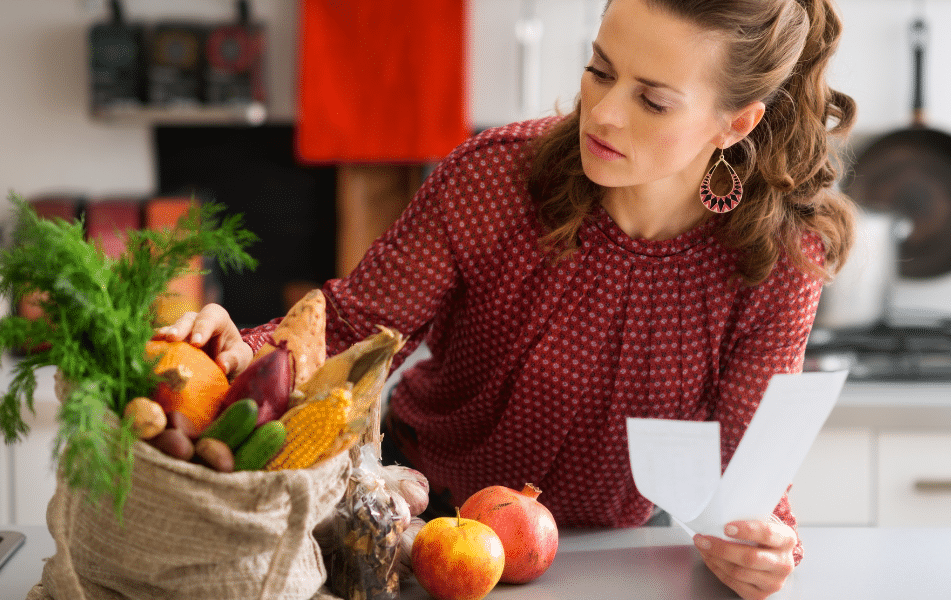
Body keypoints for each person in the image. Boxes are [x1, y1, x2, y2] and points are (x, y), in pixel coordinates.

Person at [156, 0, 856, 597]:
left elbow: (748, 463)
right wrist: (233, 354)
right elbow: (348, 327)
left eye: (652, 99)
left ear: (734, 124)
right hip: (424, 520)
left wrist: (762, 545)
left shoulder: (782, 256)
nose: (603, 114)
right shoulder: (493, 178)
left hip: (609, 550)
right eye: (600, 70)